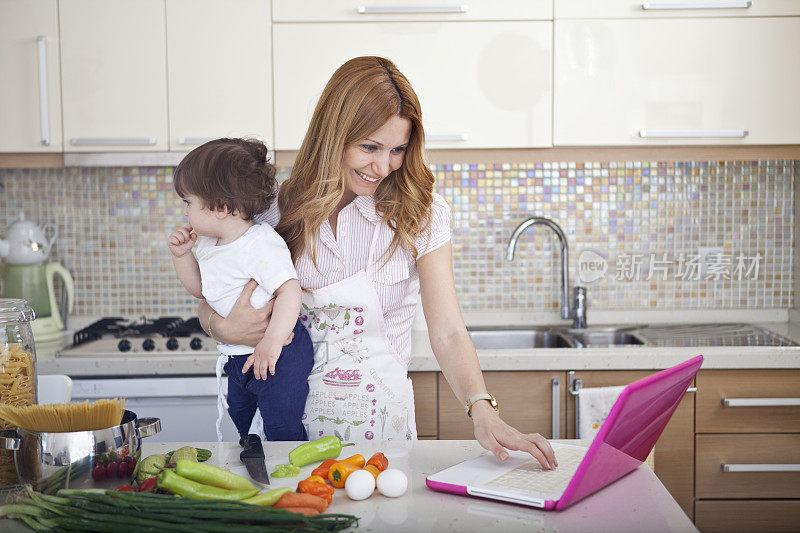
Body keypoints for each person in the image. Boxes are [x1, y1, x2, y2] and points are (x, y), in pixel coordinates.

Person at [199, 57, 557, 469]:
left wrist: (483, 409)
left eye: (398, 150)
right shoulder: (271, 212)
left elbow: (448, 331)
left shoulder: (421, 213)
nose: (383, 166)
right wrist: (221, 326)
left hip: (379, 436)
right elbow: (214, 295)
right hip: (283, 439)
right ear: (333, 136)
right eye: (369, 147)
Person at [168, 138, 313, 441]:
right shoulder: (208, 244)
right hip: (239, 356)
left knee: (280, 424)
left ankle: (289, 474)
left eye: (188, 203)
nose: (184, 212)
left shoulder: (259, 243)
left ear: (220, 207)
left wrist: (271, 343)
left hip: (280, 353)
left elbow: (290, 291)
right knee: (242, 418)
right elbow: (200, 291)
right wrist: (182, 257)